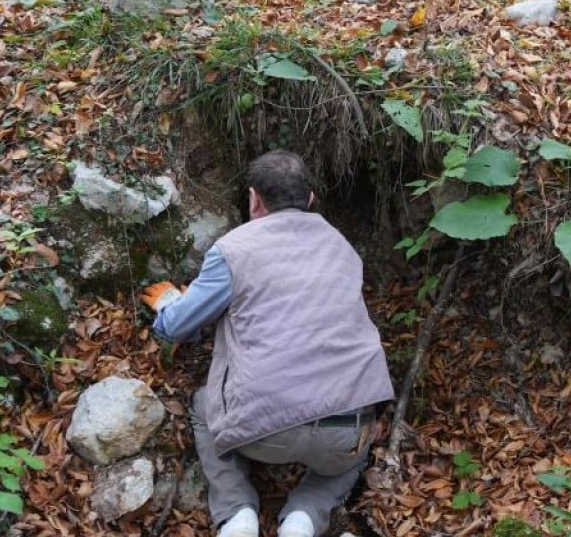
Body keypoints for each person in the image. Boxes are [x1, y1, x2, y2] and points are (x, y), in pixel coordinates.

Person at [141, 150, 394, 537]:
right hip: (346, 427)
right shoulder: (343, 248)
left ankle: (237, 513)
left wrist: (168, 302)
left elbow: (176, 326)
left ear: (254, 199)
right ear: (310, 200)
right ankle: (303, 519)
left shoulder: (233, 249)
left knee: (202, 406)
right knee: (350, 460)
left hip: (264, 431)